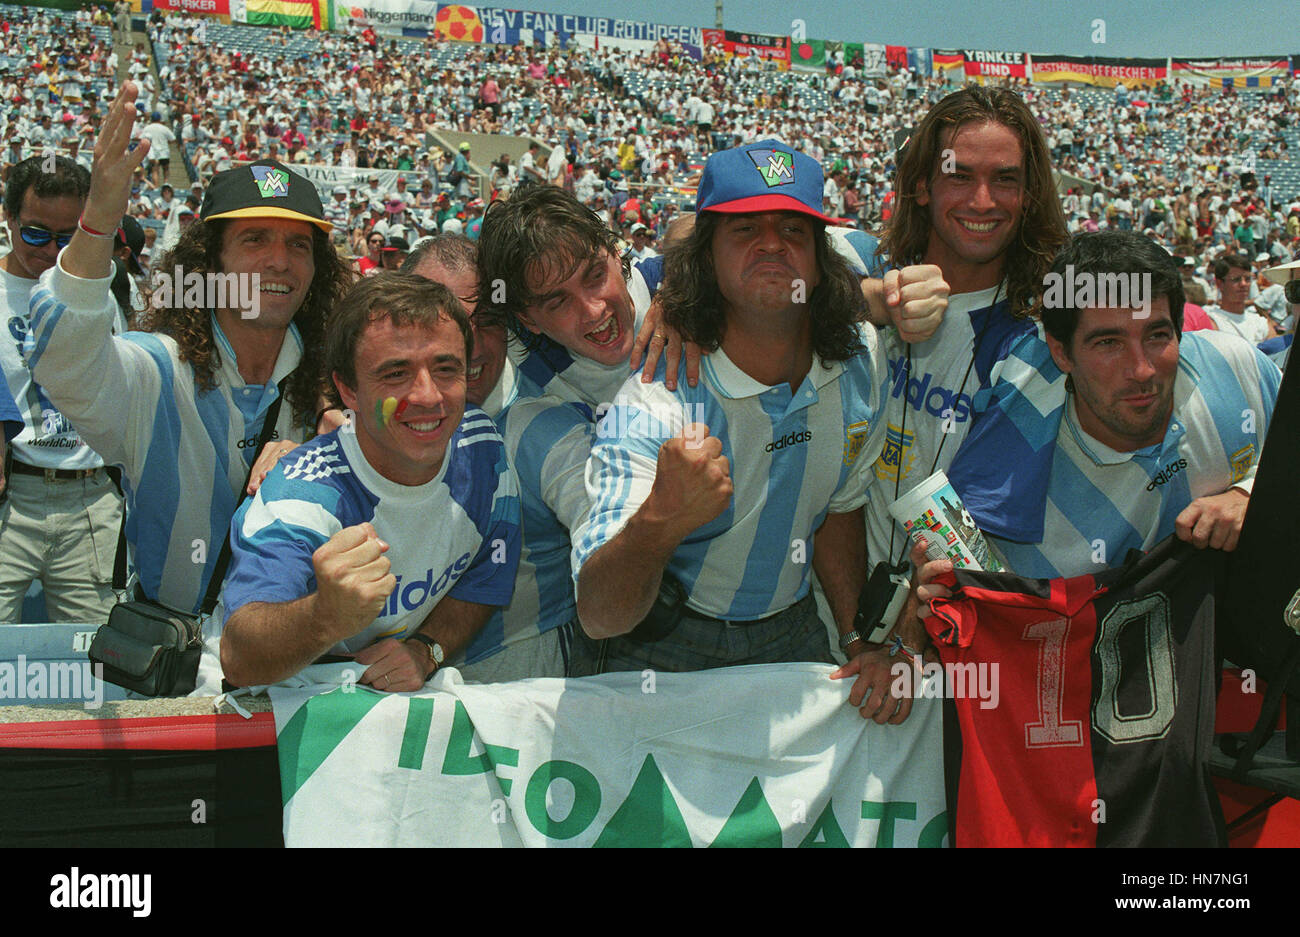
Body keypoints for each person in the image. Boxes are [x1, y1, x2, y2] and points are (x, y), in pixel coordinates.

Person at [25, 83, 351, 616]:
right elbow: (63, 358)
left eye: (299, 244)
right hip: (176, 663)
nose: (279, 261)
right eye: (255, 240)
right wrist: (98, 222)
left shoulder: (332, 384)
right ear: (210, 262)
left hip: (295, 657)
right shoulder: (155, 372)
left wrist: (317, 458)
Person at [570, 140, 891, 680]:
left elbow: (840, 508)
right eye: (744, 229)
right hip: (662, 641)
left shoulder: (861, 359)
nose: (771, 245)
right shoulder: (657, 397)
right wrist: (661, 518)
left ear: (820, 259)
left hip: (792, 625)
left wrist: (856, 637)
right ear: (706, 259)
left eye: (792, 229)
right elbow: (600, 615)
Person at [210, 273, 521, 691]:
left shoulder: (485, 449)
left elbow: (485, 580)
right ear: (348, 391)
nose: (428, 396)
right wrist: (324, 616)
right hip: (261, 708)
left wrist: (428, 651)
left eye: (446, 368)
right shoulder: (299, 498)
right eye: (396, 374)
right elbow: (240, 659)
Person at [864, 85, 1068, 672]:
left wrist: (903, 643)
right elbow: (738, 282)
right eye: (960, 176)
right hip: (828, 609)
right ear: (922, 185)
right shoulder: (864, 273)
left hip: (926, 644)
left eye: (1005, 179)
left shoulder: (1035, 342)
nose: (984, 200)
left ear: (1029, 196)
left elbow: (969, 533)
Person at [962, 231, 1281, 580]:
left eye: (1157, 335)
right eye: (1109, 343)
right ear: (1061, 352)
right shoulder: (1022, 488)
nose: (1142, 369)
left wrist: (1252, 495)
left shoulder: (1234, 367)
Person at [403, 237, 592, 680]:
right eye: (437, 321)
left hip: (525, 682)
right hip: (395, 685)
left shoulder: (550, 419)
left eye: (486, 320)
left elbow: (603, 525)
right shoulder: (366, 406)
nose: (466, 345)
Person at [0, 155, 124, 623]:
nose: (50, 250)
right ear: (8, 218)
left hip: (90, 501)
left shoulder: (99, 298)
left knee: (97, 671)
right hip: (11, 495)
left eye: (67, 237)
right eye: (34, 233)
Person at [1204, 253, 1275, 342]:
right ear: (1220, 284)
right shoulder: (1211, 321)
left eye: (1247, 279)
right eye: (1236, 279)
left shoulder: (1261, 323)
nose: (1243, 284)